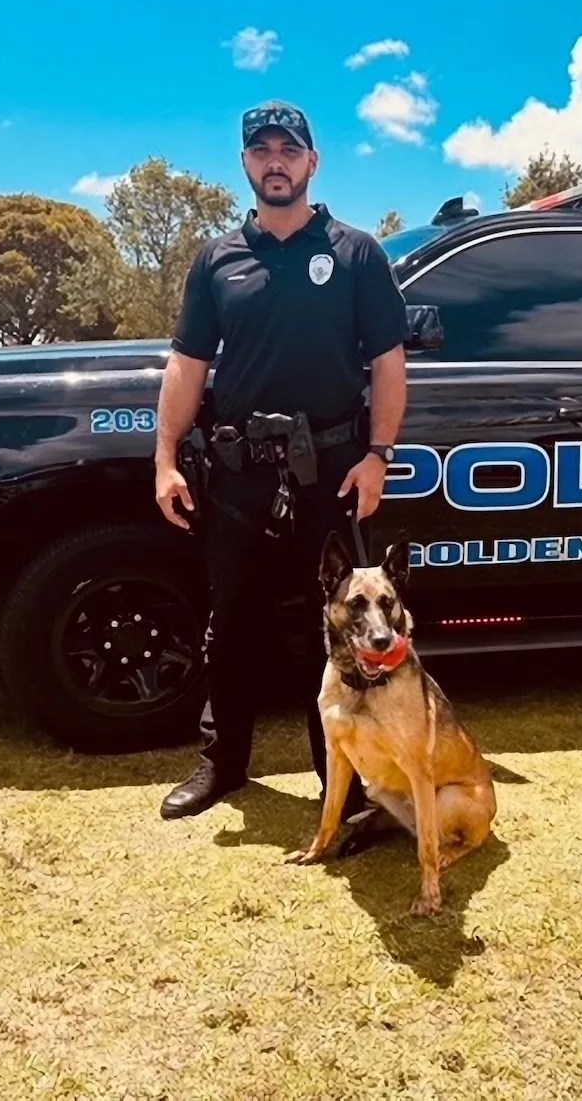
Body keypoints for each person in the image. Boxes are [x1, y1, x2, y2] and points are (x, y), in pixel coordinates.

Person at [151, 99, 409, 820]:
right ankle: (224, 763)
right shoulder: (217, 260)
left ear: (312, 162)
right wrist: (166, 457)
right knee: (229, 622)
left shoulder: (357, 253)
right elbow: (187, 363)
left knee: (336, 631)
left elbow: (389, 363)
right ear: (245, 164)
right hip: (237, 476)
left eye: (288, 149)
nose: (275, 161)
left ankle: (343, 781)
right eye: (261, 150)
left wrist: (378, 456)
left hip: (329, 469)